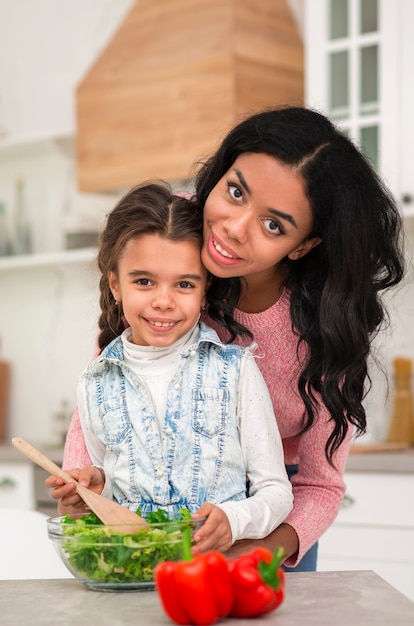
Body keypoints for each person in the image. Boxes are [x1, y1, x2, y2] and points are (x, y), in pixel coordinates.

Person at [49, 106, 405, 571]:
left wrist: (247, 551)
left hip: (276, 511)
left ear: (303, 245)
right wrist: (81, 480)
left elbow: (319, 485)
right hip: (162, 513)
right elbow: (108, 377)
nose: (234, 228)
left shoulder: (327, 327)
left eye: (274, 224)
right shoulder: (175, 234)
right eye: (236, 191)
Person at [46, 181, 293, 553]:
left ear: (205, 289)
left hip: (210, 575)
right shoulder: (94, 382)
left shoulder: (237, 370)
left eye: (184, 284)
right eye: (143, 281)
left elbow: (276, 492)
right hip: (129, 578)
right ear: (115, 284)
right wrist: (92, 490)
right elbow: (105, 494)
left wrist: (233, 520)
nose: (163, 301)